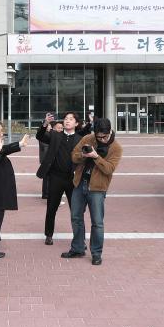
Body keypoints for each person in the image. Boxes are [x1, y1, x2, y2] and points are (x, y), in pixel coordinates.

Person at [64, 118, 123, 266]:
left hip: (97, 188)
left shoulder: (116, 147)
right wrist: (83, 155)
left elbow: (109, 169)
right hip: (80, 183)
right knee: (76, 217)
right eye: (99, 137)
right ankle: (77, 248)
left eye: (105, 136)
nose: (102, 139)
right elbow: (73, 156)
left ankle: (96, 253)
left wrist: (96, 157)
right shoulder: (88, 138)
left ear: (110, 131)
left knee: (97, 222)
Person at [35, 111, 89, 245]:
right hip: (55, 177)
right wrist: (45, 123)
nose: (67, 121)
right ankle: (48, 235)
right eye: (65, 119)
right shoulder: (55, 135)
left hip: (72, 179)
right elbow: (40, 136)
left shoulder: (80, 139)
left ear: (76, 123)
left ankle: (80, 237)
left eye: (70, 119)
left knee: (76, 210)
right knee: (51, 207)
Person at [0, 122, 29, 259]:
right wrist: (0, 150)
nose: (1, 133)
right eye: (0, 130)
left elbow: (3, 150)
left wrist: (19, 144)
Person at [39, 120, 63, 199]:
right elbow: (45, 146)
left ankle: (46, 194)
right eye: (48, 126)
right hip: (47, 159)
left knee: (47, 177)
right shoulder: (47, 135)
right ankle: (46, 194)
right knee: (47, 177)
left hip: (48, 159)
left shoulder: (52, 135)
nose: (49, 127)